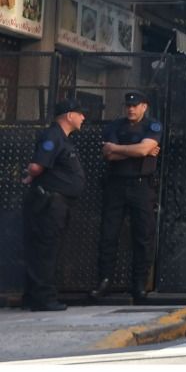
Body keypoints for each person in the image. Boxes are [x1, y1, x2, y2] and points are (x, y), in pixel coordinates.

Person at [90, 91, 163, 303]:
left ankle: (138, 284)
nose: (131, 109)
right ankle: (104, 281)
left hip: (141, 185)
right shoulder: (115, 126)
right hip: (116, 184)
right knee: (108, 234)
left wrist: (121, 149)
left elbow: (143, 150)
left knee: (142, 235)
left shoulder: (152, 126)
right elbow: (108, 154)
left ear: (144, 107)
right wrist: (137, 150)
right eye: (128, 105)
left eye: (135, 105)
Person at [21, 99, 87, 312]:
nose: (83, 117)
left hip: (58, 203)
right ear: (69, 116)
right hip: (50, 203)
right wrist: (30, 175)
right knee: (46, 250)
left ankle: (34, 295)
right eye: (80, 113)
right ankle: (44, 299)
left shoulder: (61, 138)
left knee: (46, 249)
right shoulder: (52, 136)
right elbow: (38, 165)